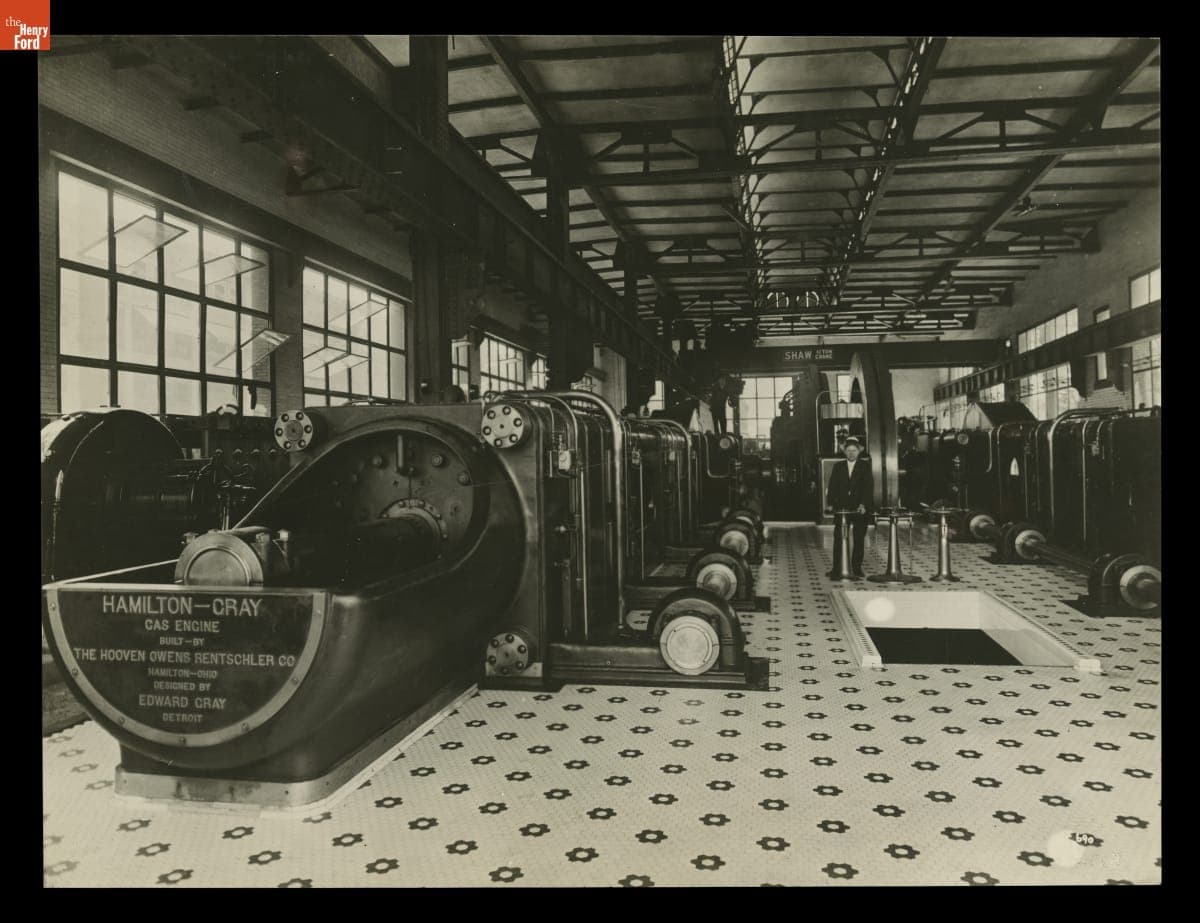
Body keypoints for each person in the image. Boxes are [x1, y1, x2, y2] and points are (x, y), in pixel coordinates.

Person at [826, 435, 874, 577]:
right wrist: (830, 504)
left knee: (859, 538)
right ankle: (837, 568)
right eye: (849, 450)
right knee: (839, 538)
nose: (851, 453)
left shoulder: (865, 467)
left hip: (859, 508)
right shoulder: (838, 466)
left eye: (854, 450)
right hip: (842, 508)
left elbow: (868, 487)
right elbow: (832, 486)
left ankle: (856, 568)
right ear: (845, 452)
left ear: (859, 452)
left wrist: (864, 504)